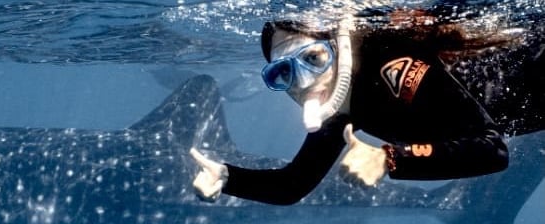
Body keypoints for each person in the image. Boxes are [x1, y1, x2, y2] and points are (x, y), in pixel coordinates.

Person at [191, 16, 511, 205]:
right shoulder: (339, 109)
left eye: (314, 59)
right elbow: (293, 185)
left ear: (340, 49)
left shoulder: (393, 66)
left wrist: (389, 158)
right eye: (283, 74)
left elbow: (493, 149)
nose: (304, 83)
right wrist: (228, 179)